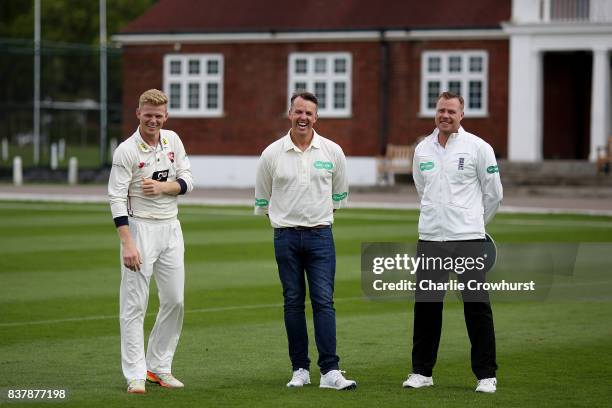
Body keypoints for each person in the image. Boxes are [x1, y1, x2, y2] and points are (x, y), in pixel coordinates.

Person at [254, 91, 356, 391]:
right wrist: (288, 221)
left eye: (309, 113)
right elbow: (262, 199)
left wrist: (316, 218)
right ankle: (300, 369)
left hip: (321, 236)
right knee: (293, 303)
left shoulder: (332, 151)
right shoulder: (271, 153)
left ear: (316, 117)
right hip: (285, 237)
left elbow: (339, 196)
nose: (303, 118)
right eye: (299, 112)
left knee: (324, 302)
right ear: (290, 114)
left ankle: (330, 371)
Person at [403, 91, 503, 393]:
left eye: (451, 111)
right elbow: (423, 189)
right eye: (441, 110)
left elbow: (493, 193)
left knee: (476, 306)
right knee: (427, 307)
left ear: (461, 115)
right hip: (431, 238)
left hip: (468, 240)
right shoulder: (423, 149)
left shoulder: (478, 147)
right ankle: (422, 372)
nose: (445, 115)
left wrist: (474, 225)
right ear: (436, 113)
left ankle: (486, 375)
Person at [108, 89, 193, 394]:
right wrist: (127, 243)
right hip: (139, 229)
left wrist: (163, 188)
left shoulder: (173, 140)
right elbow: (116, 198)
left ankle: (159, 367)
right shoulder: (126, 150)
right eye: (148, 115)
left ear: (165, 116)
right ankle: (135, 374)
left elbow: (188, 182)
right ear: (138, 113)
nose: (153, 120)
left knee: (175, 300)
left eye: (159, 115)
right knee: (135, 305)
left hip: (171, 228)